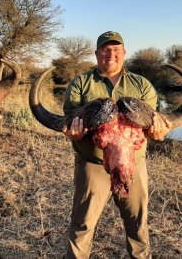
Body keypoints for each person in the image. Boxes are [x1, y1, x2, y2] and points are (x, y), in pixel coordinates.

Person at [62, 31, 172, 259]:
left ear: (124, 53)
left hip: (134, 164)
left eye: (115, 50)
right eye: (104, 50)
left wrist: (158, 132)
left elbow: (154, 122)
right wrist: (72, 132)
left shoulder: (141, 84)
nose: (110, 55)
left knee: (137, 226)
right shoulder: (80, 84)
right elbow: (69, 119)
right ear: (96, 54)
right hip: (92, 165)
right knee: (82, 226)